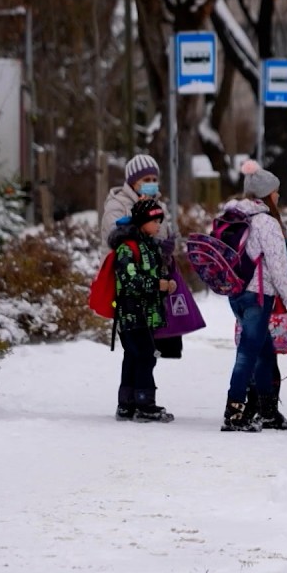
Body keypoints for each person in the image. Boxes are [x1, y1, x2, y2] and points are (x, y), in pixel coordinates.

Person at [221, 161, 287, 432]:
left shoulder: (234, 216)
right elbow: (280, 270)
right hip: (258, 296)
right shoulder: (266, 223)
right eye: (276, 191)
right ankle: (234, 413)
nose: (278, 196)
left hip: (236, 293)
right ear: (267, 194)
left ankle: (268, 412)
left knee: (264, 352)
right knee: (247, 353)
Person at [102, 154, 192, 359]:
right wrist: (142, 227)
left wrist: (168, 247)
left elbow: (164, 233)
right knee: (138, 348)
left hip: (152, 282)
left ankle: (140, 387)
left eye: (154, 179)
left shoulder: (159, 205)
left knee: (146, 349)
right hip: (129, 282)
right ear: (133, 182)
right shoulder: (117, 204)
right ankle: (140, 389)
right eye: (146, 180)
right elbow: (113, 237)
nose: (152, 184)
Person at [109, 199, 176, 422]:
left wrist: (166, 283)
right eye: (154, 220)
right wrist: (157, 285)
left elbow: (155, 272)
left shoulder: (149, 245)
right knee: (145, 356)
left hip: (146, 312)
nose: (158, 225)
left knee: (134, 356)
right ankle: (144, 403)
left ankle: (127, 404)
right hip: (131, 312)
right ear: (142, 222)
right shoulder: (127, 247)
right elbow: (129, 280)